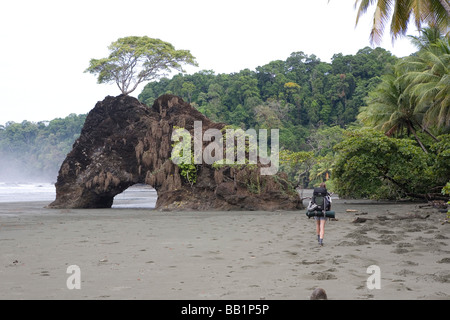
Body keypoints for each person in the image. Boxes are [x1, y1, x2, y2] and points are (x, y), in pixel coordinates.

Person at [314, 182, 330, 246]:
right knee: (322, 226)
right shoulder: (326, 194)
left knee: (317, 225)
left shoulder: (315, 193)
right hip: (324, 212)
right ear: (325, 187)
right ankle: (321, 241)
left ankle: (318, 238)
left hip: (316, 211)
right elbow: (329, 204)